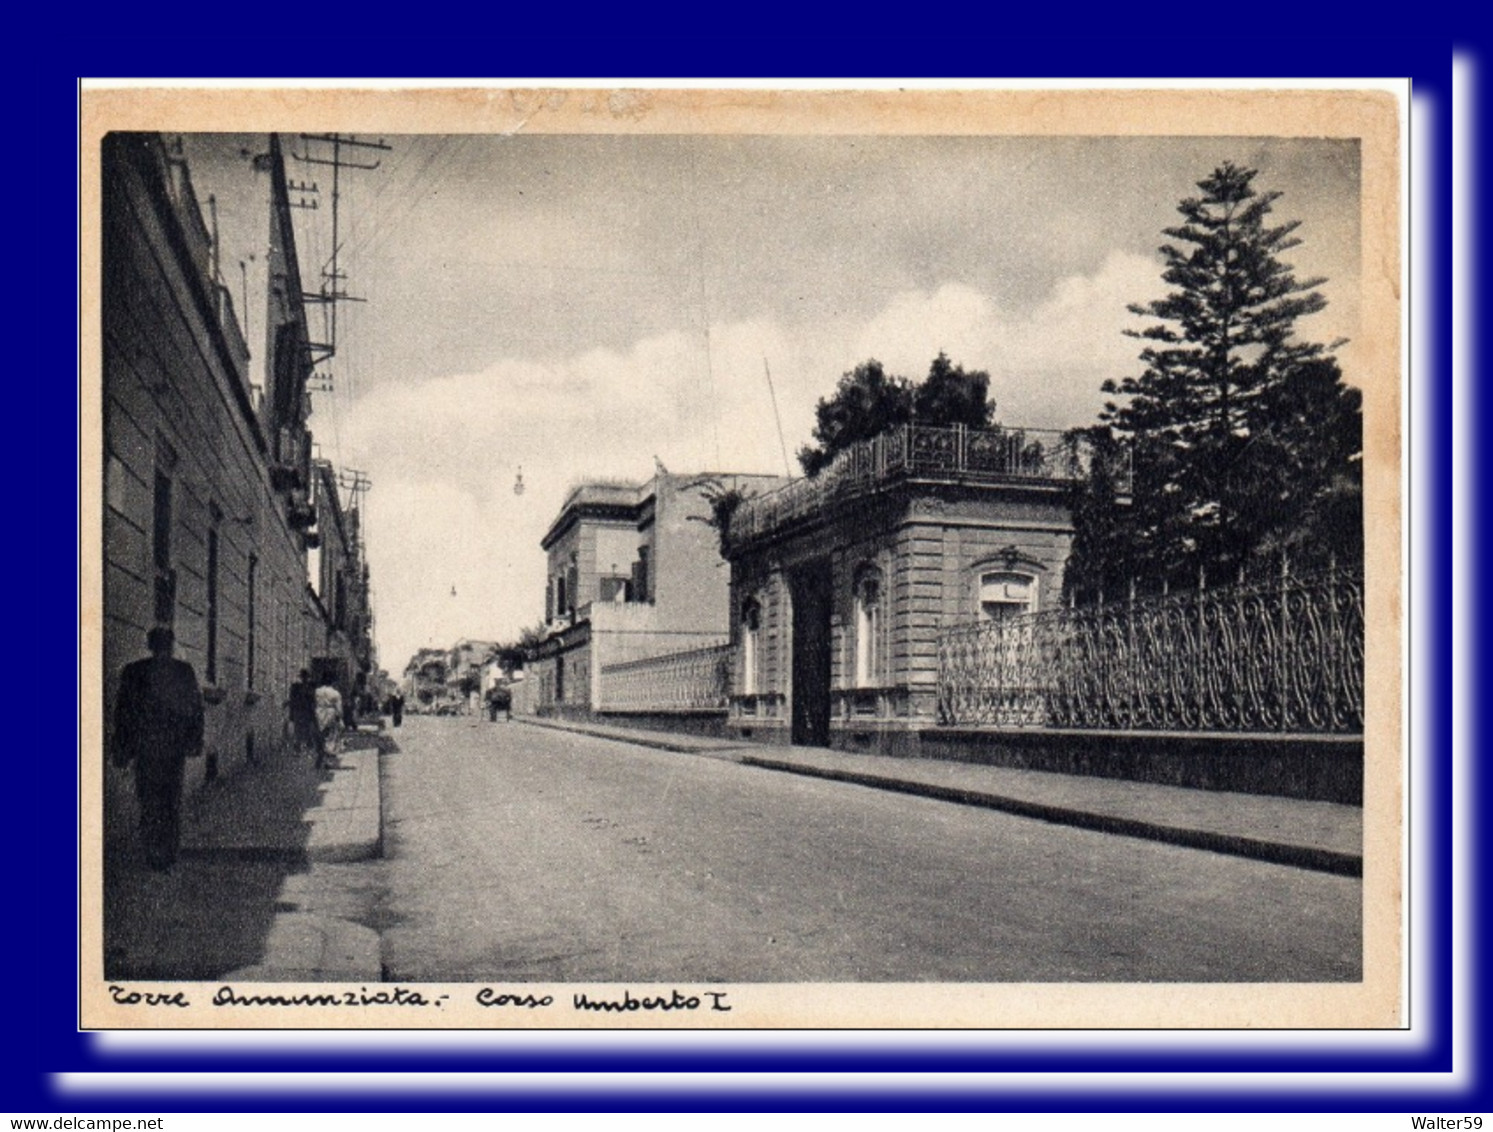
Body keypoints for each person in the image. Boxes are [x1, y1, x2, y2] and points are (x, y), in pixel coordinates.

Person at [111, 627, 204, 871]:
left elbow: (123, 713)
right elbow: (195, 708)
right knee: (170, 799)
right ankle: (168, 850)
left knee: (149, 799)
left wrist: (121, 747)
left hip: (146, 748)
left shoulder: (134, 671)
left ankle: (153, 850)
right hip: (173, 748)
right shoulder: (183, 671)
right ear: (171, 645)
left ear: (149, 645)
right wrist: (194, 741)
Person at [313, 677, 344, 769]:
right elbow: (339, 709)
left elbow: (313, 703)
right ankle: (327, 761)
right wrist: (340, 718)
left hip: (319, 713)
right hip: (330, 714)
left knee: (320, 736)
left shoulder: (317, 691)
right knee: (330, 737)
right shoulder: (335, 693)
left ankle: (320, 755)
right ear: (333, 682)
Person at [287, 668, 318, 758]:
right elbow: (292, 700)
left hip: (307, 712)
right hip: (299, 711)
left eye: (306, 677)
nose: (304, 679)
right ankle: (298, 750)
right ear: (301, 678)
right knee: (298, 731)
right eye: (303, 677)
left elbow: (314, 700)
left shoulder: (311, 687)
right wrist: (291, 714)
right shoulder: (295, 687)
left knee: (308, 731)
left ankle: (309, 750)